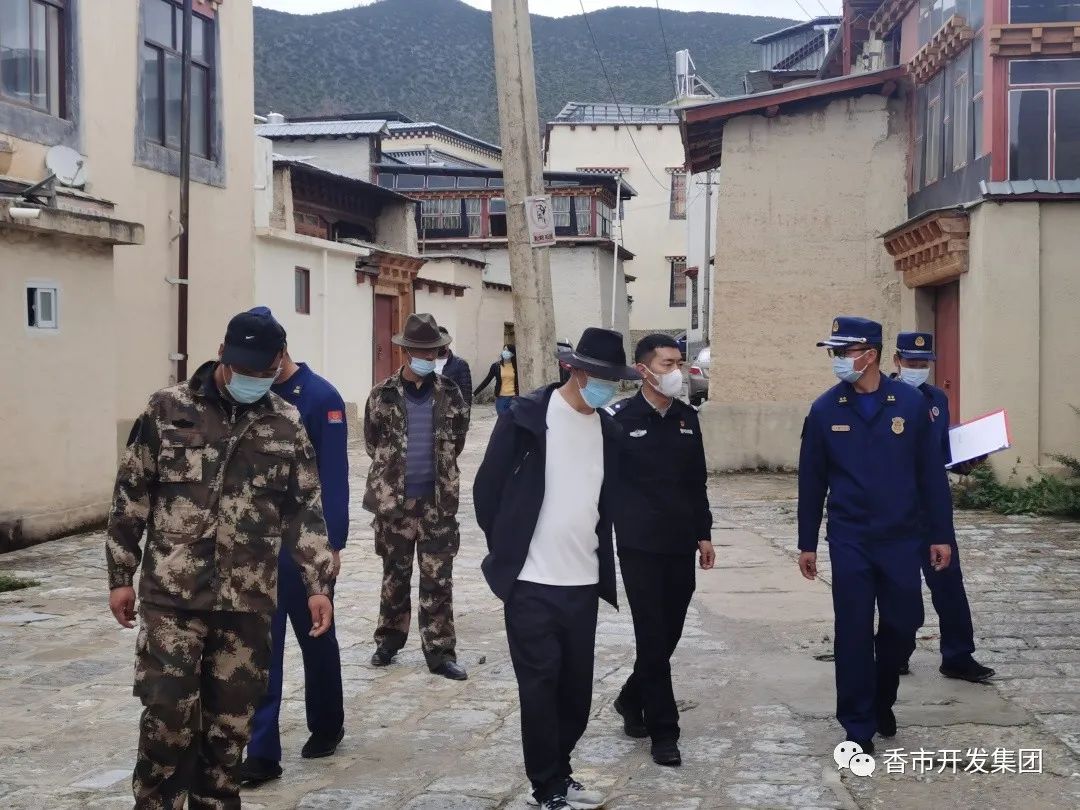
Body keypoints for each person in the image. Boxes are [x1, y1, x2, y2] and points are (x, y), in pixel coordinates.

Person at [106, 309, 335, 809]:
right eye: (242, 369)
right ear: (222, 355)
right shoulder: (167, 410)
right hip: (173, 597)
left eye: (263, 371)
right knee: (167, 718)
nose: (251, 379)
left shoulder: (285, 423)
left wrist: (318, 584)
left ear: (280, 360)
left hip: (246, 603)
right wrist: (120, 574)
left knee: (229, 731)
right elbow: (131, 495)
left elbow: (304, 509)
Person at [474, 328, 639, 810]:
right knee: (539, 687)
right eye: (602, 378)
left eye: (615, 380)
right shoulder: (527, 417)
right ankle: (545, 786)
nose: (608, 388)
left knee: (575, 691)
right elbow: (487, 490)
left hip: (582, 581)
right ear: (577, 370)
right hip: (531, 582)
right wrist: (510, 548)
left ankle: (561, 771)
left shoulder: (608, 430)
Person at [798, 316, 954, 755]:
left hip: (902, 535)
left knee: (905, 623)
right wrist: (807, 541)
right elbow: (811, 480)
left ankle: (882, 697)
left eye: (842, 352)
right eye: (834, 353)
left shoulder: (909, 404)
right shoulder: (825, 409)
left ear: (869, 355)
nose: (836, 360)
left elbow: (931, 475)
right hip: (850, 537)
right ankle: (857, 724)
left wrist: (940, 534)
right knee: (852, 628)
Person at [237, 309, 350, 787]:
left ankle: (326, 723)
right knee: (261, 647)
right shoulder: (244, 394)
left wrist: (332, 544)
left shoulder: (320, 397)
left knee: (315, 636)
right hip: (255, 546)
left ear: (281, 353)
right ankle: (262, 752)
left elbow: (334, 477)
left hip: (304, 543)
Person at [605, 334, 715, 767]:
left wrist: (704, 534)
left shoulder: (688, 418)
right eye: (668, 364)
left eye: (679, 363)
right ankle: (664, 731)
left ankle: (630, 698)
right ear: (643, 369)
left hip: (680, 543)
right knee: (651, 634)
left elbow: (696, 482)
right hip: (639, 545)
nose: (677, 372)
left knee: (669, 633)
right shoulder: (618, 419)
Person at [364, 312, 470, 680]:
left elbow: (457, 441)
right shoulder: (381, 395)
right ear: (406, 351)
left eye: (434, 351)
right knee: (394, 575)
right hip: (394, 504)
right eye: (422, 351)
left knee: (438, 579)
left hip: (438, 504)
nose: (429, 357)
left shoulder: (451, 394)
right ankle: (388, 642)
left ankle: (440, 653)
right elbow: (372, 443)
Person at [892, 331, 994, 683]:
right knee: (900, 586)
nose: (917, 367)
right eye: (911, 361)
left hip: (933, 508)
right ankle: (896, 653)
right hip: (895, 508)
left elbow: (943, 452)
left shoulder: (937, 398)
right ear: (896, 361)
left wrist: (967, 460)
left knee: (949, 583)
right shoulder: (881, 398)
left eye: (923, 362)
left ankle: (958, 656)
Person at [436, 326, 474, 408]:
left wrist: (464, 413)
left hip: (451, 412)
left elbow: (466, 394)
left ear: (448, 342)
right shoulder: (426, 363)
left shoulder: (460, 364)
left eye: (442, 341)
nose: (439, 345)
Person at [474, 344, 518, 414]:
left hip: (515, 398)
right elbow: (487, 380)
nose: (505, 352)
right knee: (502, 420)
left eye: (508, 350)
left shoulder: (517, 366)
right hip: (501, 399)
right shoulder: (496, 366)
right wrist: (475, 393)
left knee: (513, 420)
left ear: (513, 353)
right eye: (504, 349)